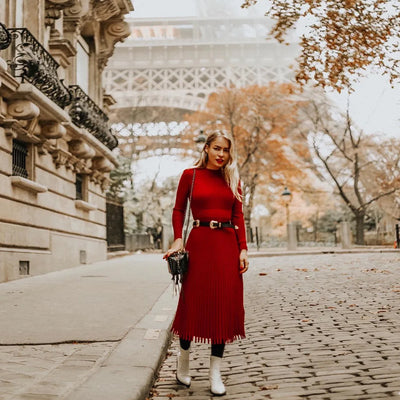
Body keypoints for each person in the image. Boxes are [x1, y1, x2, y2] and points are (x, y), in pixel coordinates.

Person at [163, 130, 249, 396]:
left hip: (226, 244)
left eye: (225, 150)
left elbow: (238, 215)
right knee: (193, 303)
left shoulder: (233, 178)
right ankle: (184, 360)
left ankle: (215, 373)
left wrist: (243, 249)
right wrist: (178, 239)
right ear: (207, 148)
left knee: (222, 305)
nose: (221, 154)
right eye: (217, 148)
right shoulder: (191, 175)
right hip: (199, 243)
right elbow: (178, 209)